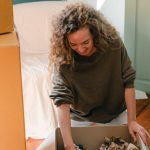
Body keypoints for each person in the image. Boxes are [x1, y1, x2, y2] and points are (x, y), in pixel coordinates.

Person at [49, 2, 150, 150]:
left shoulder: (114, 44)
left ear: (95, 34)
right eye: (73, 45)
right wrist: (69, 145)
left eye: (85, 42)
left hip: (116, 113)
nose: (80, 49)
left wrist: (132, 120)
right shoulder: (63, 59)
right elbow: (61, 101)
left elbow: (128, 82)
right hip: (79, 118)